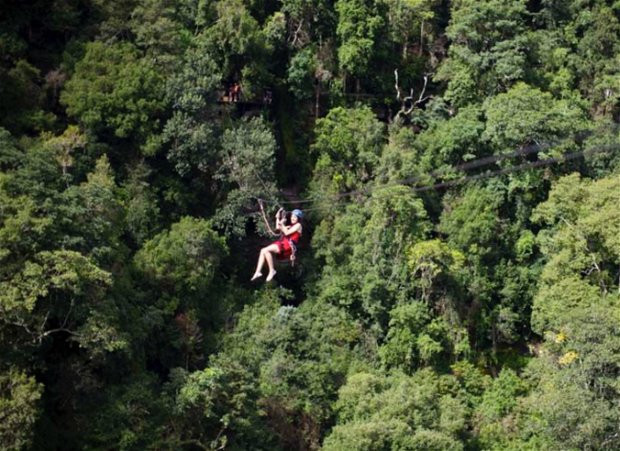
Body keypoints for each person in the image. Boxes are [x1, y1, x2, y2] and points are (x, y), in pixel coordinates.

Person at [251, 209, 303, 282]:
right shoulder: (290, 226)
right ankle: (258, 271)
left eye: (295, 217)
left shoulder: (298, 225)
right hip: (283, 243)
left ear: (298, 218)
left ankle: (272, 270)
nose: (292, 218)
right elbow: (278, 227)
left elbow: (287, 232)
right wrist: (277, 218)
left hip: (287, 245)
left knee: (265, 250)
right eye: (292, 216)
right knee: (263, 250)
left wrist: (282, 223)